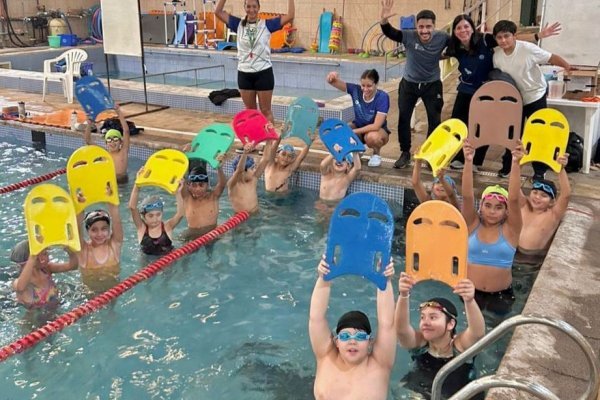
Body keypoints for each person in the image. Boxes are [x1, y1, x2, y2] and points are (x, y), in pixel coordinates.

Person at [445, 15, 561, 171]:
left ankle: (478, 161)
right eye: (458, 28)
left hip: (487, 91)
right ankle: (458, 157)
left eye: (466, 26)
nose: (463, 30)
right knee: (458, 124)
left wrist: (538, 35)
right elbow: (440, 54)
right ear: (454, 31)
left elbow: (510, 37)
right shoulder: (455, 47)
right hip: (466, 90)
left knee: (484, 127)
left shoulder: (485, 40)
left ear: (473, 28)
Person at [492, 19, 571, 180]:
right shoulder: (497, 56)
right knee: (513, 134)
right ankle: (508, 166)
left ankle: (540, 170)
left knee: (538, 134)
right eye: (499, 37)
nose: (503, 40)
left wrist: (567, 67)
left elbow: (551, 57)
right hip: (514, 100)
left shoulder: (528, 49)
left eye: (506, 36)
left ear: (514, 36)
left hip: (535, 95)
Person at [309, 255, 396, 400]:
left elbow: (387, 324)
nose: (352, 341)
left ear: (370, 342)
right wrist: (324, 278)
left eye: (360, 337)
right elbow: (316, 318)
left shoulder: (380, 364)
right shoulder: (326, 358)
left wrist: (384, 281)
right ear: (336, 342)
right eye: (345, 336)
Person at [380, 1, 450, 169]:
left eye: (428, 26)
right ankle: (405, 153)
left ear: (434, 26)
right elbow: (391, 33)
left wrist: (444, 55)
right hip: (409, 84)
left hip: (432, 84)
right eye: (421, 27)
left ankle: (431, 154)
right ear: (416, 26)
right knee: (404, 118)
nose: (424, 31)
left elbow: (459, 46)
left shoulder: (443, 37)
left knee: (434, 120)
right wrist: (384, 20)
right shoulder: (409, 36)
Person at [396, 272, 485, 398]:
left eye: (433, 317)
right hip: (421, 390)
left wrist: (469, 300)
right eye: (422, 317)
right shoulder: (420, 345)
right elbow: (401, 331)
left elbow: (477, 333)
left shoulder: (459, 347)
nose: (425, 322)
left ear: (450, 324)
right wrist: (403, 295)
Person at [461, 139, 523, 314]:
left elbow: (514, 199)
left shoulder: (511, 231)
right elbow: (467, 196)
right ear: (480, 207)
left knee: (498, 328)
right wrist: (468, 161)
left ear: (506, 211)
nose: (492, 211)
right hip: (470, 293)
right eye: (488, 205)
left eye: (498, 207)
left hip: (501, 295)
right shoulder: (472, 225)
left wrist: (515, 163)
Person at [215, 0, 295, 123]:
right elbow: (218, 12)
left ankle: (269, 136)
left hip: (263, 73)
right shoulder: (238, 24)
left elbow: (290, 16)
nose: (251, 10)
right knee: (250, 112)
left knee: (266, 111)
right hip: (244, 74)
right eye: (248, 6)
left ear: (258, 8)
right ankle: (253, 136)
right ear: (244, 7)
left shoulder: (267, 25)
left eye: (254, 7)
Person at [326, 69, 391, 167]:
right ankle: (357, 151)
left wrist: (353, 132)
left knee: (371, 137)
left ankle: (376, 154)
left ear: (376, 84)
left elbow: (376, 126)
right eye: (363, 85)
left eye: (369, 86)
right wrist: (331, 77)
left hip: (377, 131)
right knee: (340, 130)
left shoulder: (382, 97)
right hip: (359, 126)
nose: (365, 89)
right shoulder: (356, 90)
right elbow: (333, 82)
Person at [517, 154, 571, 264]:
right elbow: (514, 186)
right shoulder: (524, 206)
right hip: (514, 254)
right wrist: (517, 163)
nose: (537, 197)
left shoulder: (552, 215)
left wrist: (560, 169)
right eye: (535, 192)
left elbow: (566, 195)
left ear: (552, 202)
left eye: (544, 195)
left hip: (532, 260)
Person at [76, 186, 123, 292]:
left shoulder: (114, 245)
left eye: (104, 229)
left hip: (114, 294)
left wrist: (111, 200)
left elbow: (116, 219)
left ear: (109, 229)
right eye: (94, 230)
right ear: (87, 231)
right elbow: (76, 227)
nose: (99, 234)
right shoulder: (84, 251)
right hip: (91, 296)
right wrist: (80, 207)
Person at [128, 170, 185, 256]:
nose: (155, 219)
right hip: (147, 264)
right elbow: (132, 207)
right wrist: (137, 185)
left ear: (162, 213)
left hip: (169, 263)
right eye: (150, 216)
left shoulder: (167, 227)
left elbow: (180, 214)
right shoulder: (142, 228)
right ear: (143, 216)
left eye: (158, 215)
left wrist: (178, 192)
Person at [11, 240, 78, 309]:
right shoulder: (19, 283)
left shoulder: (47, 269)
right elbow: (20, 287)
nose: (48, 256)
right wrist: (32, 257)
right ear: (35, 259)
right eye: (45, 253)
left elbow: (73, 266)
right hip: (36, 315)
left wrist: (70, 251)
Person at [83, 104, 130, 183]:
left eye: (115, 139)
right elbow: (88, 141)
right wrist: (89, 124)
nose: (112, 142)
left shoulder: (123, 151)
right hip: (108, 182)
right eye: (109, 140)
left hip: (122, 182)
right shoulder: (104, 153)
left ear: (121, 142)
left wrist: (119, 112)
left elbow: (126, 131)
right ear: (106, 143)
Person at [182, 160, 226, 238]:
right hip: (192, 236)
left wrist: (219, 167)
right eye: (194, 185)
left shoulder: (213, 197)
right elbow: (180, 181)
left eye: (201, 185)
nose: (198, 189)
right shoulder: (188, 199)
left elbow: (222, 184)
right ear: (189, 186)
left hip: (212, 235)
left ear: (207, 185)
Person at [227, 142, 271, 213]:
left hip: (256, 215)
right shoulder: (232, 185)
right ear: (244, 172)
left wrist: (269, 140)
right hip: (242, 218)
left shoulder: (253, 180)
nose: (254, 170)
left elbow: (265, 159)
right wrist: (245, 153)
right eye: (252, 168)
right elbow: (239, 170)